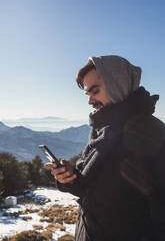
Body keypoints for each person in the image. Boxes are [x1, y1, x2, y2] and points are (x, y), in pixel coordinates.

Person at [45, 55, 165, 241]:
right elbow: (89, 189)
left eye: (95, 91)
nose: (90, 101)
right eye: (88, 94)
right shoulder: (102, 128)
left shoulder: (150, 132)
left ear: (118, 85)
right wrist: (68, 177)